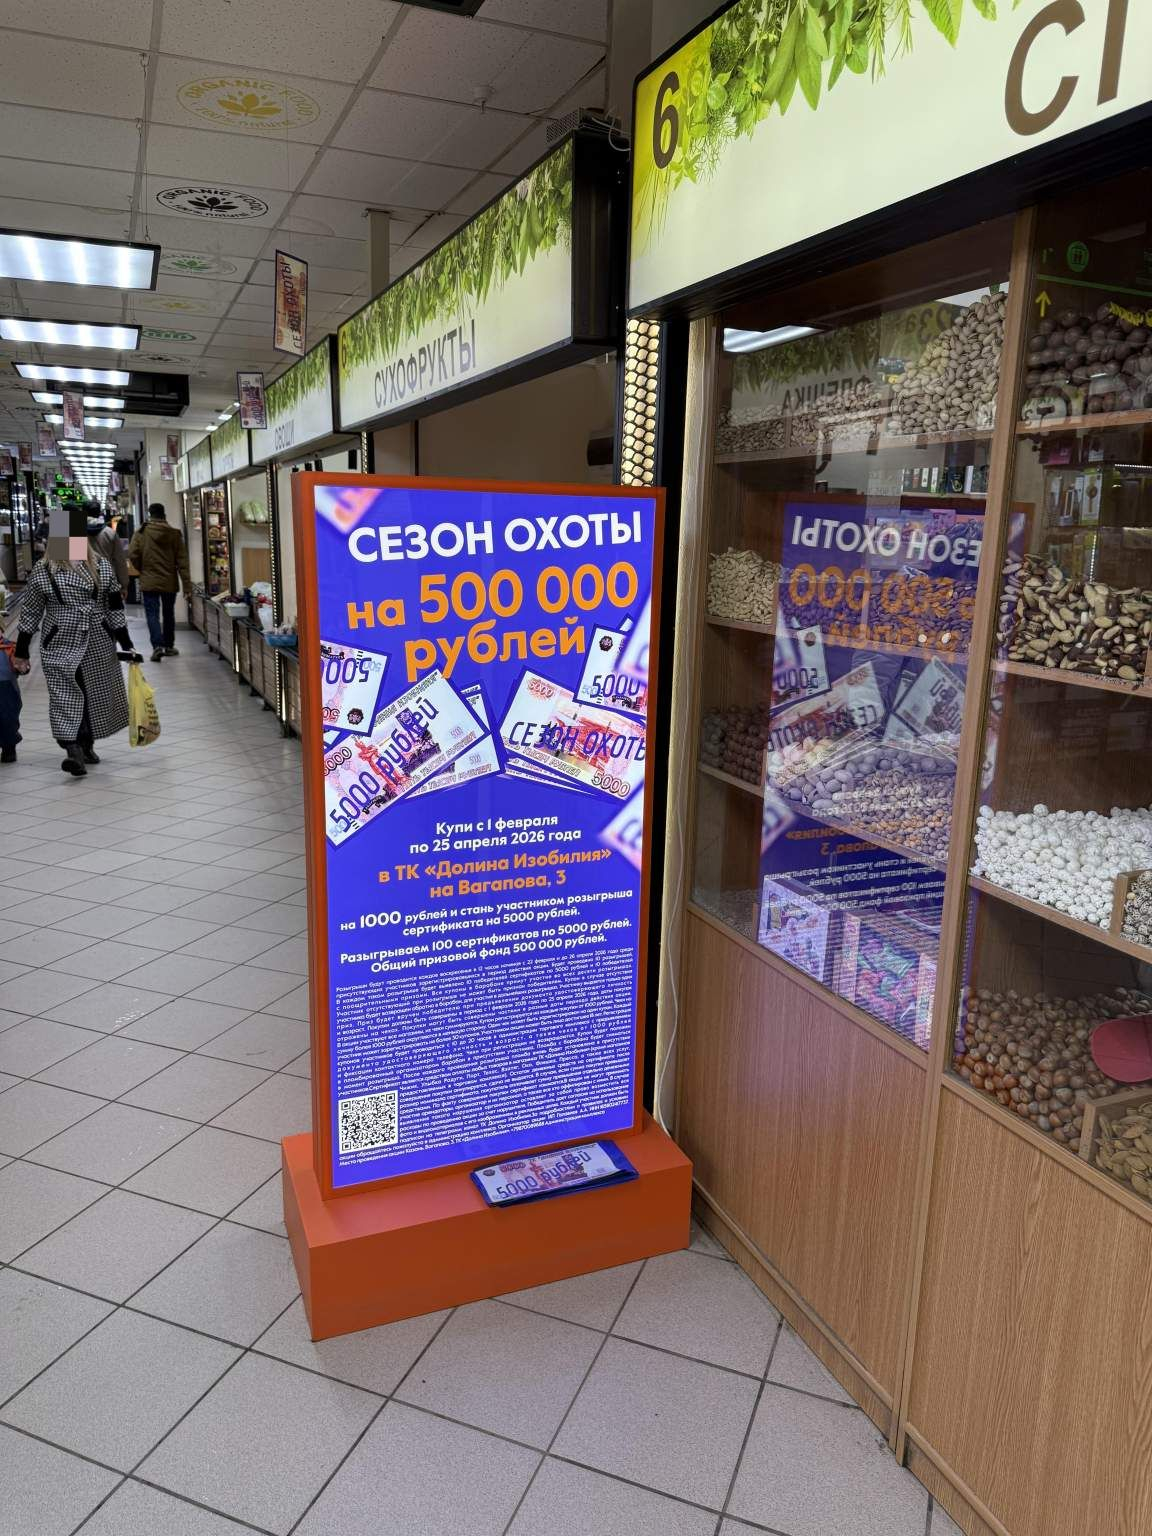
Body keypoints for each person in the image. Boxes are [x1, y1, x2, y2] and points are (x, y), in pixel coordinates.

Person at [10, 505, 140, 776]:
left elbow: (114, 607)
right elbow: (31, 613)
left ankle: (86, 744)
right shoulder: (44, 570)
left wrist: (126, 643)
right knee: (64, 695)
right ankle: (73, 749)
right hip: (59, 641)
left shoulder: (101, 566)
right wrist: (21, 651)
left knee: (93, 693)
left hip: (97, 640)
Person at [128, 503, 190, 664]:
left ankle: (157, 646)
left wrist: (142, 568)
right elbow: (183, 562)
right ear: (164, 515)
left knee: (152, 614)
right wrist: (187, 586)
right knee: (168, 613)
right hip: (169, 580)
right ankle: (169, 646)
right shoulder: (174, 534)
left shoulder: (141, 533)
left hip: (149, 580)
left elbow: (133, 554)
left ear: (150, 515)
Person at [91, 506, 130, 593]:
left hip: (83, 579)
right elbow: (119, 560)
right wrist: (124, 584)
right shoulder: (110, 532)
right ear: (99, 514)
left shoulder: (76, 532)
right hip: (107, 577)